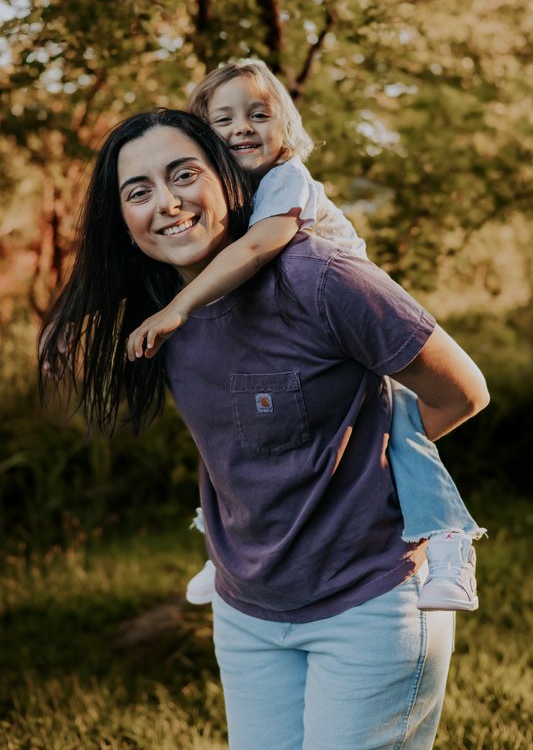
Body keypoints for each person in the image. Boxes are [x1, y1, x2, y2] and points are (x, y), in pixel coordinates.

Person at [39, 109, 490, 750]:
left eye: (183, 174)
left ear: (228, 179)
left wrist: (366, 468)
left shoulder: (320, 278)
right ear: (124, 221)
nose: (166, 203)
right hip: (246, 612)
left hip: (369, 602)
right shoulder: (158, 312)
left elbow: (461, 392)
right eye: (139, 192)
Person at [126, 60, 485, 612]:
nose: (242, 127)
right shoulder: (232, 189)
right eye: (223, 119)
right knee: (240, 431)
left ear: (286, 126)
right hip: (309, 327)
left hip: (350, 325)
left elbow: (257, 248)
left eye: (259, 114)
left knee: (398, 430)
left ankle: (448, 540)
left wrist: (180, 306)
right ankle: (219, 551)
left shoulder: (285, 180)